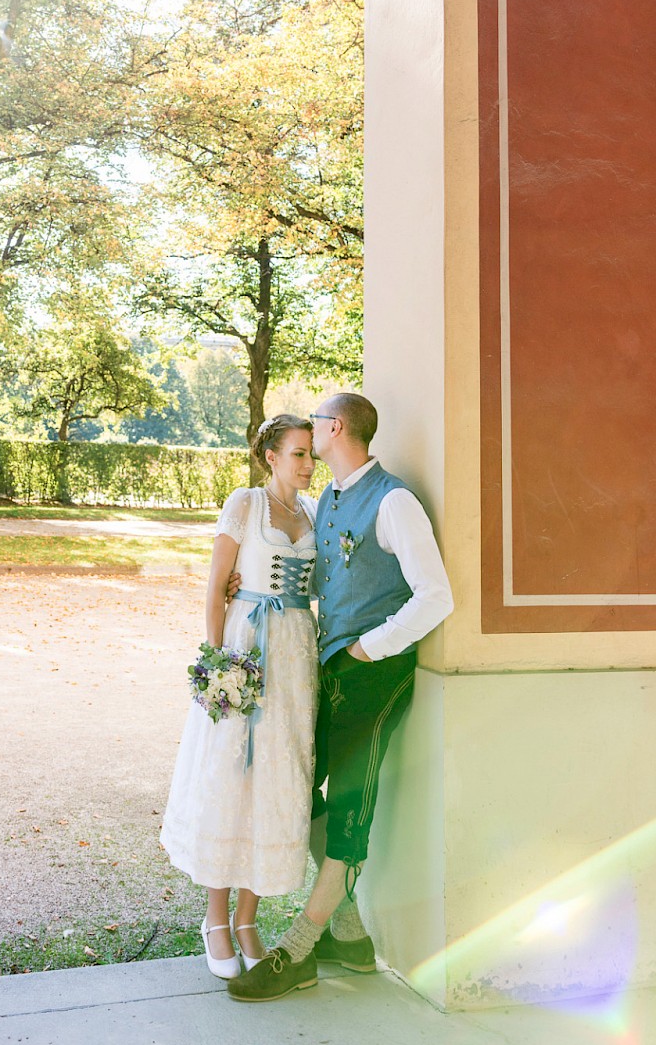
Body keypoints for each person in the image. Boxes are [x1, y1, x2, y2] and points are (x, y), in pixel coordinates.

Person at [228, 392, 454, 1003]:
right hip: (325, 673)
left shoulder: (395, 501)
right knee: (301, 793)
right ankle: (349, 938)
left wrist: (369, 649)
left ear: (334, 428)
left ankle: (300, 949)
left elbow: (435, 596)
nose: (310, 437)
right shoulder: (326, 498)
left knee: (350, 809)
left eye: (316, 425)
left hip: (373, 679)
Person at [160, 415, 319, 978]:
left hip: (297, 658)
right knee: (232, 776)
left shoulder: (315, 512)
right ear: (271, 456)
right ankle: (216, 920)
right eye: (298, 454)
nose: (307, 464)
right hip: (247, 647)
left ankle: (250, 918)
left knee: (278, 781)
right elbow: (215, 584)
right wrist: (218, 661)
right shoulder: (245, 504)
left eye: (311, 455)